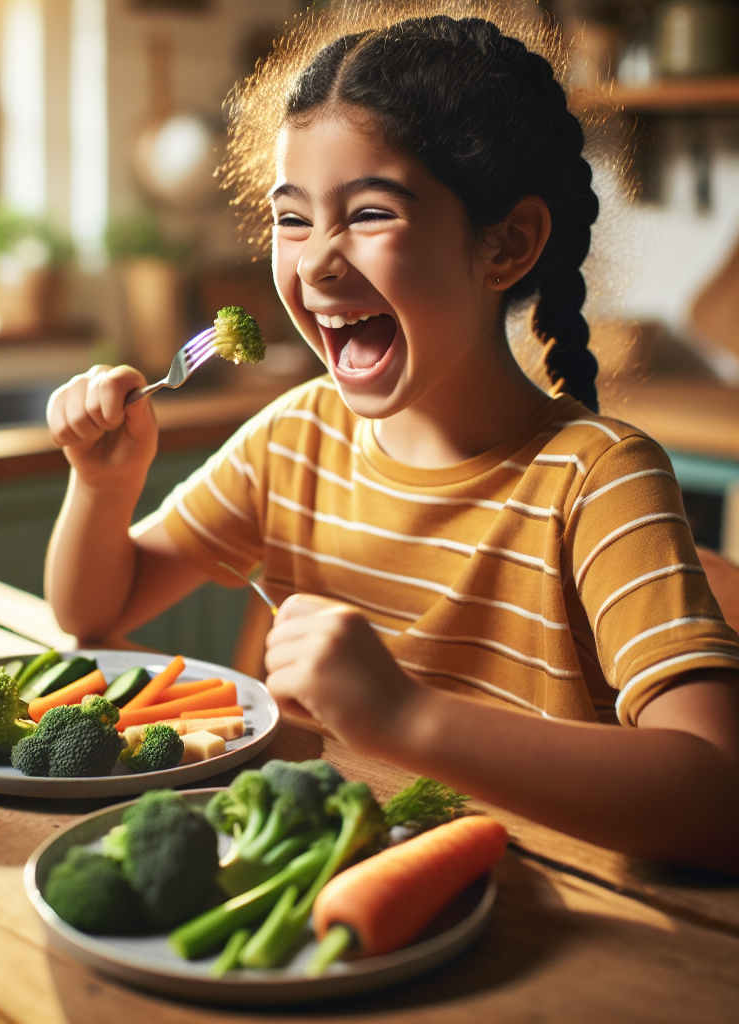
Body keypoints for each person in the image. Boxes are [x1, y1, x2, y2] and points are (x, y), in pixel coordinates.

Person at [45, 3, 738, 872]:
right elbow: (93, 610)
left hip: (540, 919)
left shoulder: (598, 482)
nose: (317, 261)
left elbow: (717, 794)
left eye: (369, 214)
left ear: (507, 245)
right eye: (293, 219)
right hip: (313, 891)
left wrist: (405, 717)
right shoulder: (296, 439)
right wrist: (104, 486)